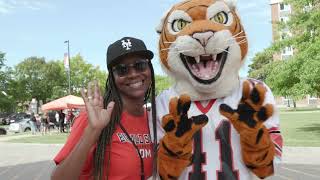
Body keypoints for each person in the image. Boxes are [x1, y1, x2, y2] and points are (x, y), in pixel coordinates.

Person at [51, 37, 158, 180]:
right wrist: (93, 131)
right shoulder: (95, 118)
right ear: (112, 78)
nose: (133, 74)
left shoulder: (155, 119)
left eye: (140, 65)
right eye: (122, 69)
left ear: (149, 68)